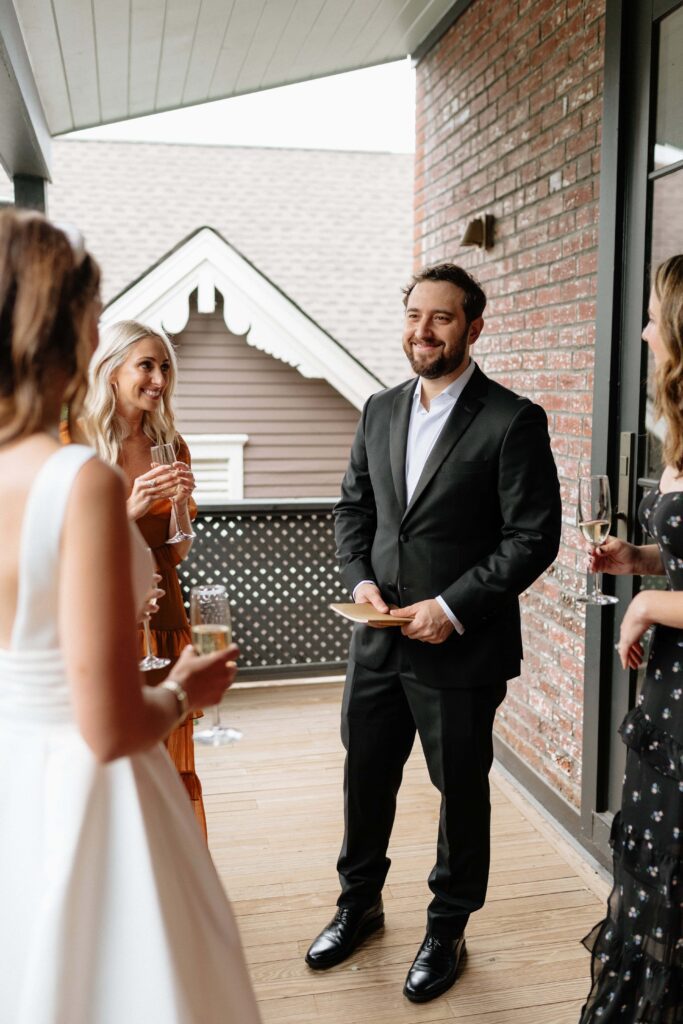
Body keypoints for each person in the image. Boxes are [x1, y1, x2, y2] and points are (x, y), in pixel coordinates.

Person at [0, 209, 261, 1023]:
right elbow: (111, 727)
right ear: (72, 332)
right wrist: (185, 689)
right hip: (88, 790)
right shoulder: (79, 478)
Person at [305, 263, 562, 1003]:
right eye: (414, 314)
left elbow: (531, 537)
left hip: (461, 644)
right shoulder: (378, 409)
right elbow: (353, 508)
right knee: (365, 778)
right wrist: (359, 579)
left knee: (460, 793)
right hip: (376, 639)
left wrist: (449, 608)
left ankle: (447, 926)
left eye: (441, 318)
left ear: (473, 328)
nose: (422, 330)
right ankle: (358, 904)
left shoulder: (513, 420)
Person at [578, 254, 683, 1023]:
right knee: (657, 879)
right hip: (669, 694)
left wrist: (645, 608)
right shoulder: (678, 434)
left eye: (651, 315)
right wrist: (639, 561)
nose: (642, 330)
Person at [82, 320, 209, 836]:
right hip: (105, 610)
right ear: (111, 371)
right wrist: (128, 507)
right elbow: (73, 542)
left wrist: (179, 507)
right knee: (114, 751)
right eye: (146, 365)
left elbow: (175, 550)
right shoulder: (80, 444)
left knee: (166, 754)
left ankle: (169, 872)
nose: (159, 379)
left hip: (165, 609)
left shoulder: (171, 444)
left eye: (164, 367)